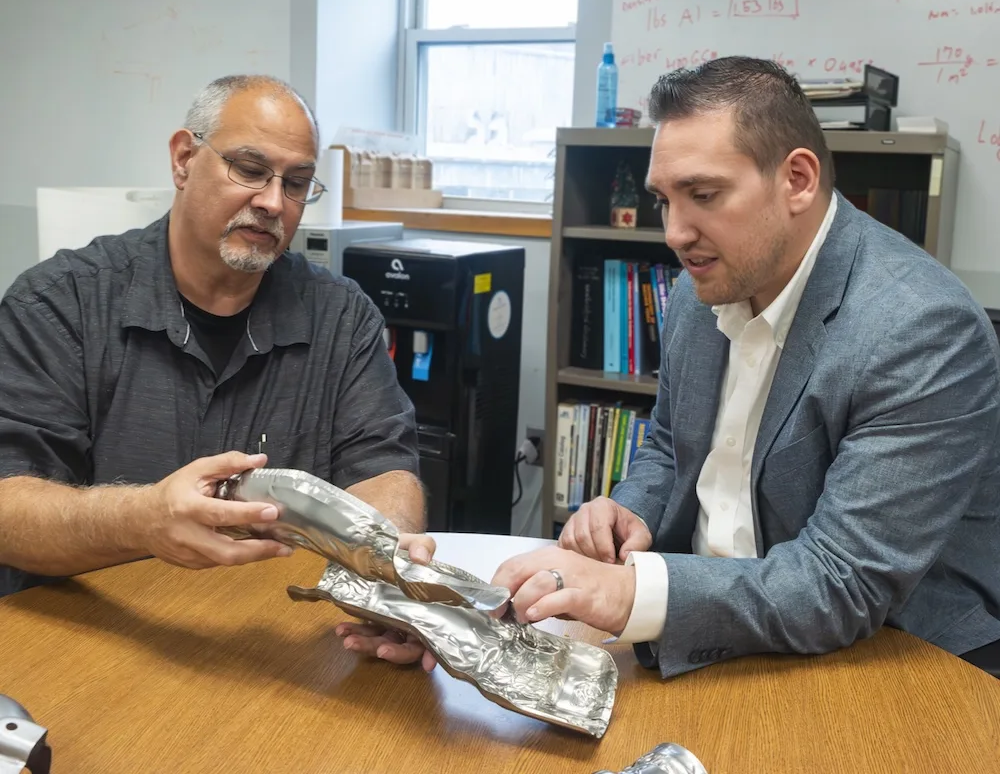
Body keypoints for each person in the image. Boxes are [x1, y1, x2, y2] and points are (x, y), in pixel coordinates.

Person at [492, 56, 1000, 678]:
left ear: (798, 180)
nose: (676, 233)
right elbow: (670, 446)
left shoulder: (921, 330)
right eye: (664, 200)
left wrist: (631, 593)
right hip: (712, 626)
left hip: (889, 657)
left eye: (703, 195)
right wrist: (632, 514)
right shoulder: (700, 286)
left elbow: (842, 583)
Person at [0, 74, 435, 669]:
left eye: (297, 183)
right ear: (183, 159)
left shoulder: (342, 316)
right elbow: (8, 509)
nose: (273, 202)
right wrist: (143, 519)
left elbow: (384, 467)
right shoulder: (59, 305)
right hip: (92, 645)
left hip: (269, 653)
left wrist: (386, 564)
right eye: (250, 170)